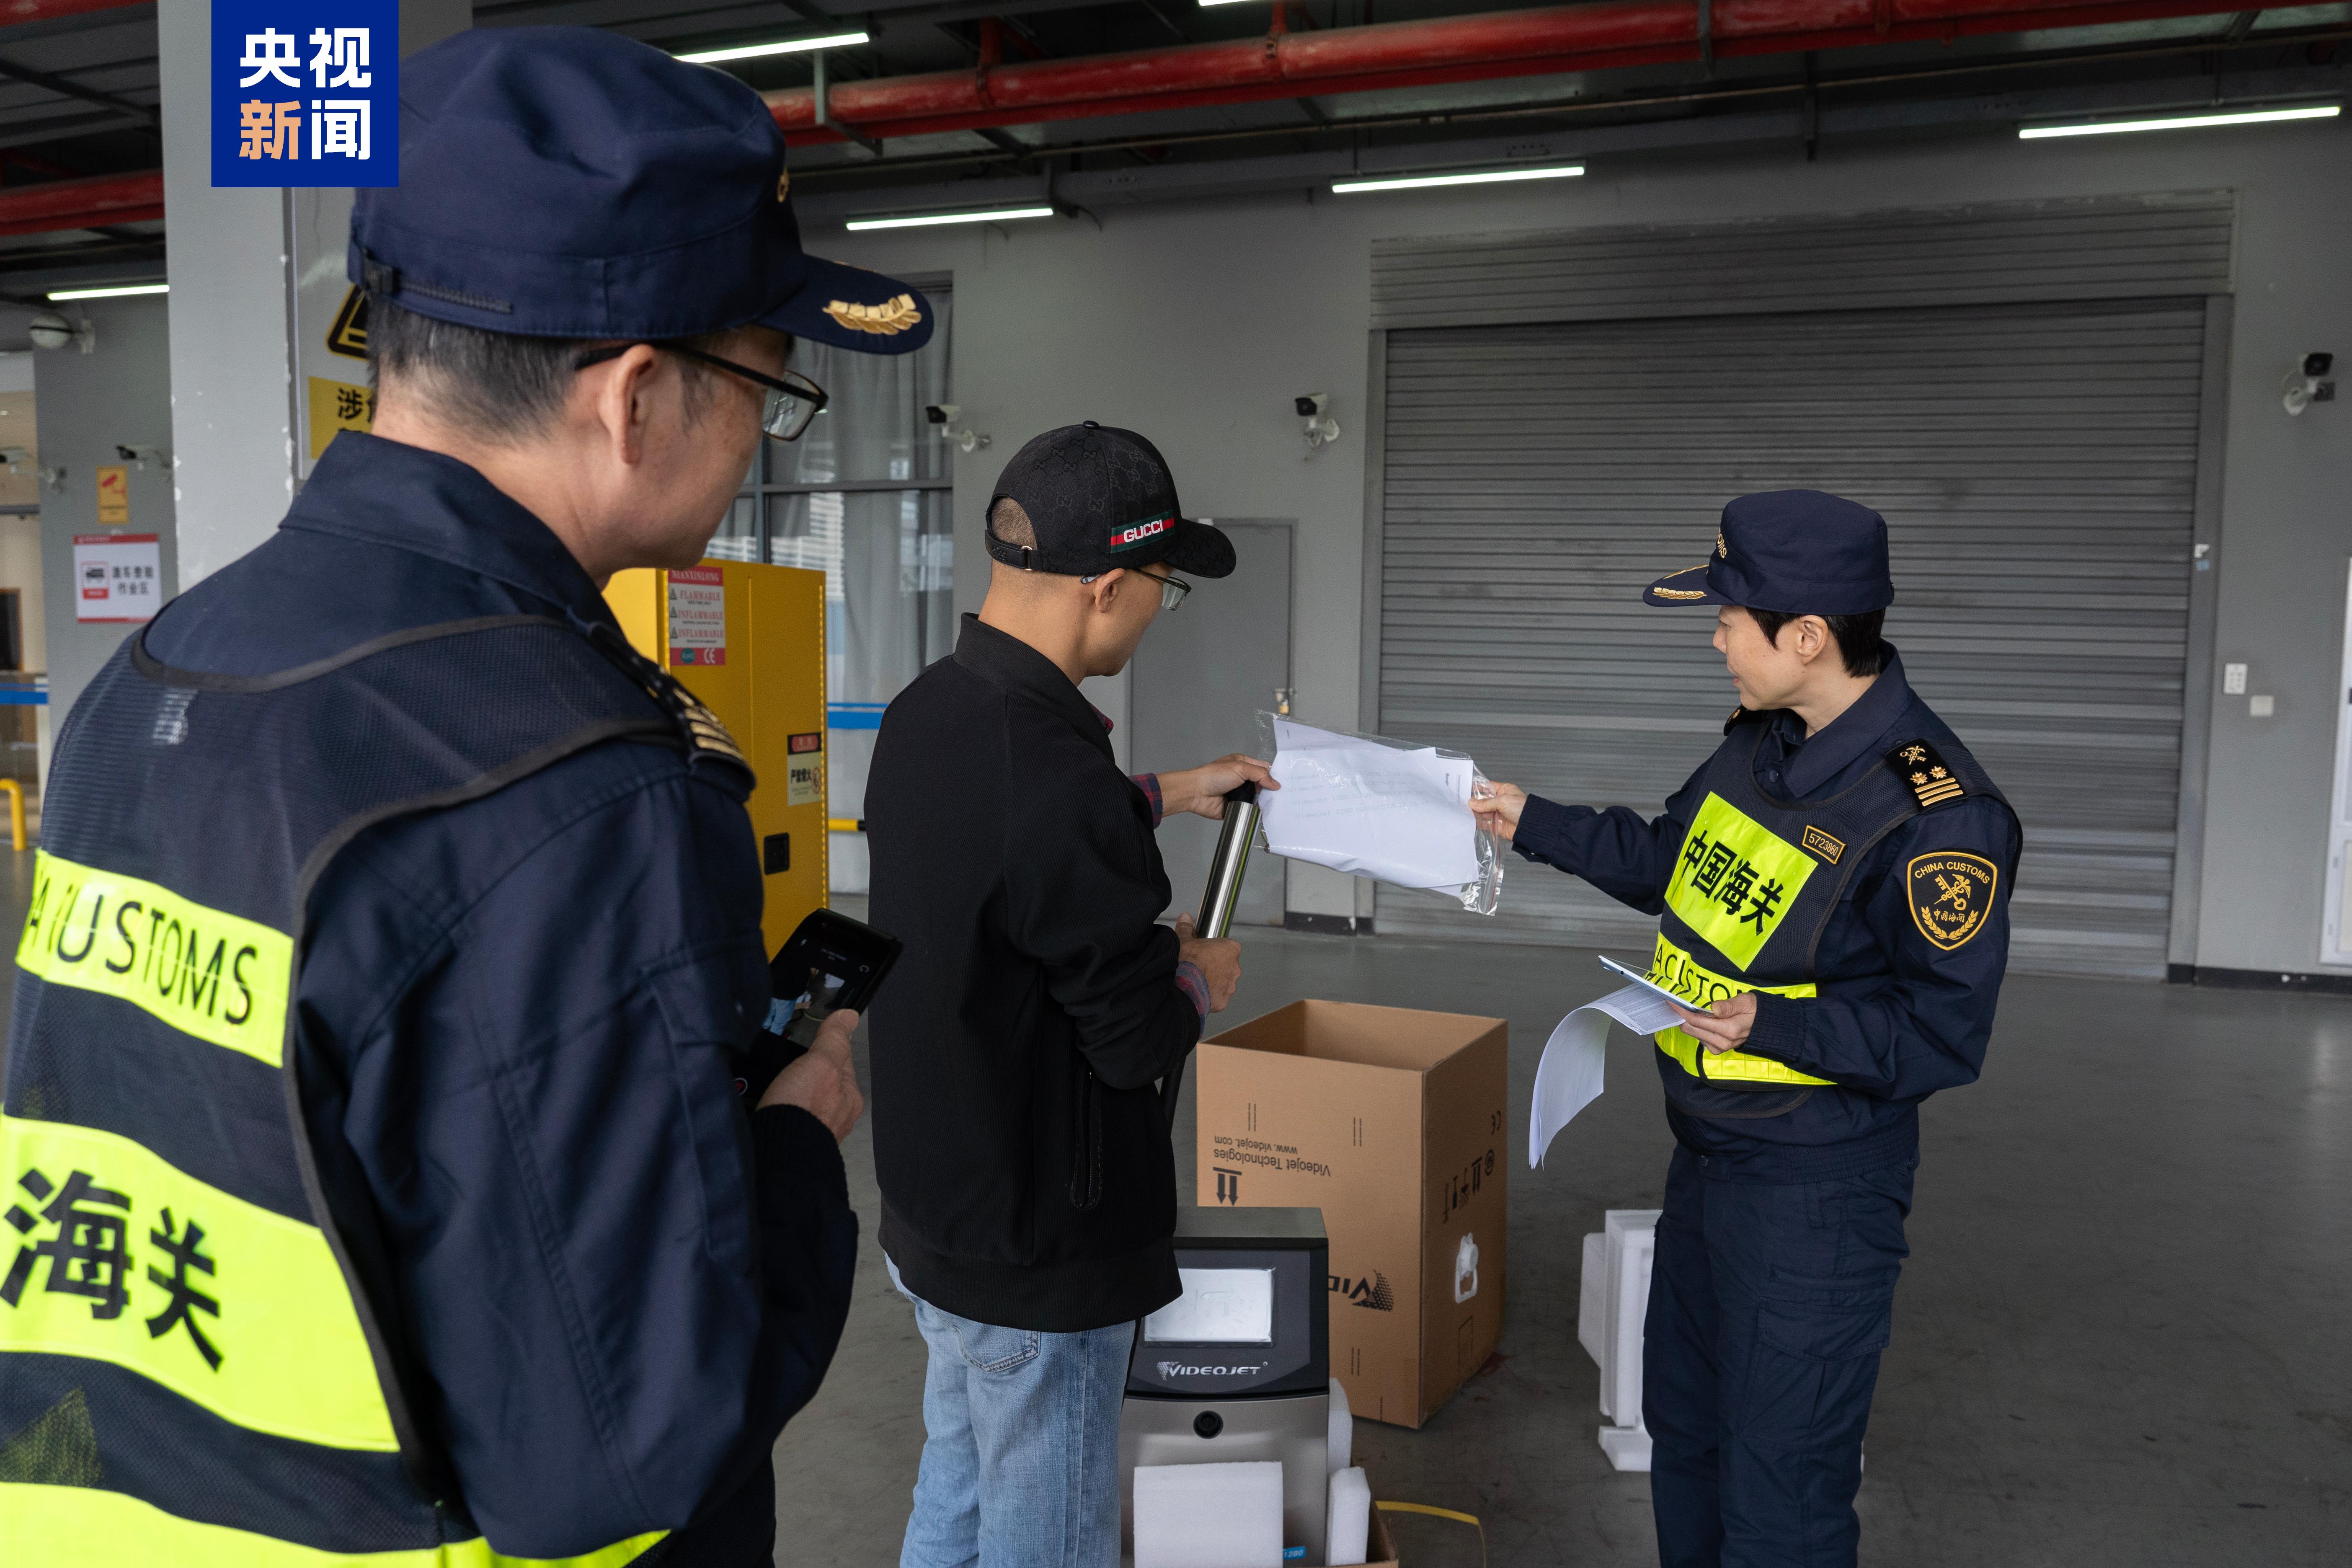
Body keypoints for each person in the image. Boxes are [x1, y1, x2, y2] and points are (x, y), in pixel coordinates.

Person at [0, 28, 934, 1566]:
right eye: (769, 392)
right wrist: (791, 1147)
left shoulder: (154, 677)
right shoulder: (567, 785)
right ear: (636, 398)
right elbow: (620, 1452)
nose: (760, 438)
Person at [1474, 491, 2021, 1568]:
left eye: (1730, 620)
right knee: (1686, 1437)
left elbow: (1939, 1035)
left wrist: (1773, 1025)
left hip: (1817, 1198)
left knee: (1784, 1497)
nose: (1717, 639)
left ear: (1807, 636)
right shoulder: (1764, 743)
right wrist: (1531, 820)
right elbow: (1668, 860)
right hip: (1710, 1162)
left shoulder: (1938, 815)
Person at [865, 422, 1277, 1568]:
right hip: (1043, 1251)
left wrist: (1166, 790)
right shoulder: (1056, 775)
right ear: (1107, 586)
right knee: (1045, 1542)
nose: (1157, 612)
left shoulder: (928, 711)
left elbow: (1009, 844)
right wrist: (1196, 974)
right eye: (1164, 589)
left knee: (956, 1497)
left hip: (940, 1215)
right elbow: (1135, 1037)